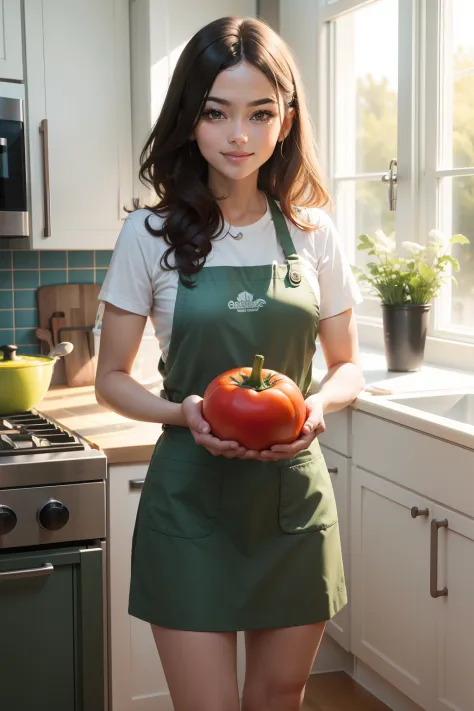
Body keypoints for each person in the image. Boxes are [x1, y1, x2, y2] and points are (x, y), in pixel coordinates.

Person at [95, 15, 365, 711]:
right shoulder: (148, 234)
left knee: (279, 697)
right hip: (190, 496)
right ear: (190, 119)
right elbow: (112, 379)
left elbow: (348, 366)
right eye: (217, 113)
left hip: (291, 500)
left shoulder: (313, 233)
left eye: (259, 113)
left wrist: (318, 405)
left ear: (286, 120)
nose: (238, 136)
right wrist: (179, 412)